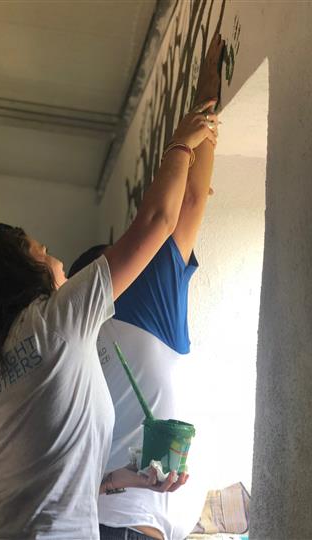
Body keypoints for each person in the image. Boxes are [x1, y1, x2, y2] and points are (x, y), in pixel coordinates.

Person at [0, 99, 218, 539]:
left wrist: (125, 480)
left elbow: (47, 476)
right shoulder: (57, 321)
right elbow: (159, 220)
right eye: (44, 253)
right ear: (25, 276)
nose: (59, 259)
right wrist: (181, 144)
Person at [68, 35, 224, 540]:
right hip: (130, 525)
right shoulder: (146, 296)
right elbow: (193, 201)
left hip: (89, 516)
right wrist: (205, 93)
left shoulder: (65, 332)